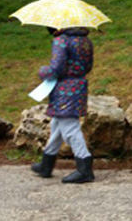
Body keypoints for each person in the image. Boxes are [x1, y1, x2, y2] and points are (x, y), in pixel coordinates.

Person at [31, 27, 95, 184]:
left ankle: (84, 168)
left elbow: (56, 68)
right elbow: (88, 66)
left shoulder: (61, 40)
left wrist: (43, 71)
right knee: (57, 126)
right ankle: (47, 164)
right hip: (78, 84)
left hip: (65, 87)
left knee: (70, 128)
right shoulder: (85, 40)